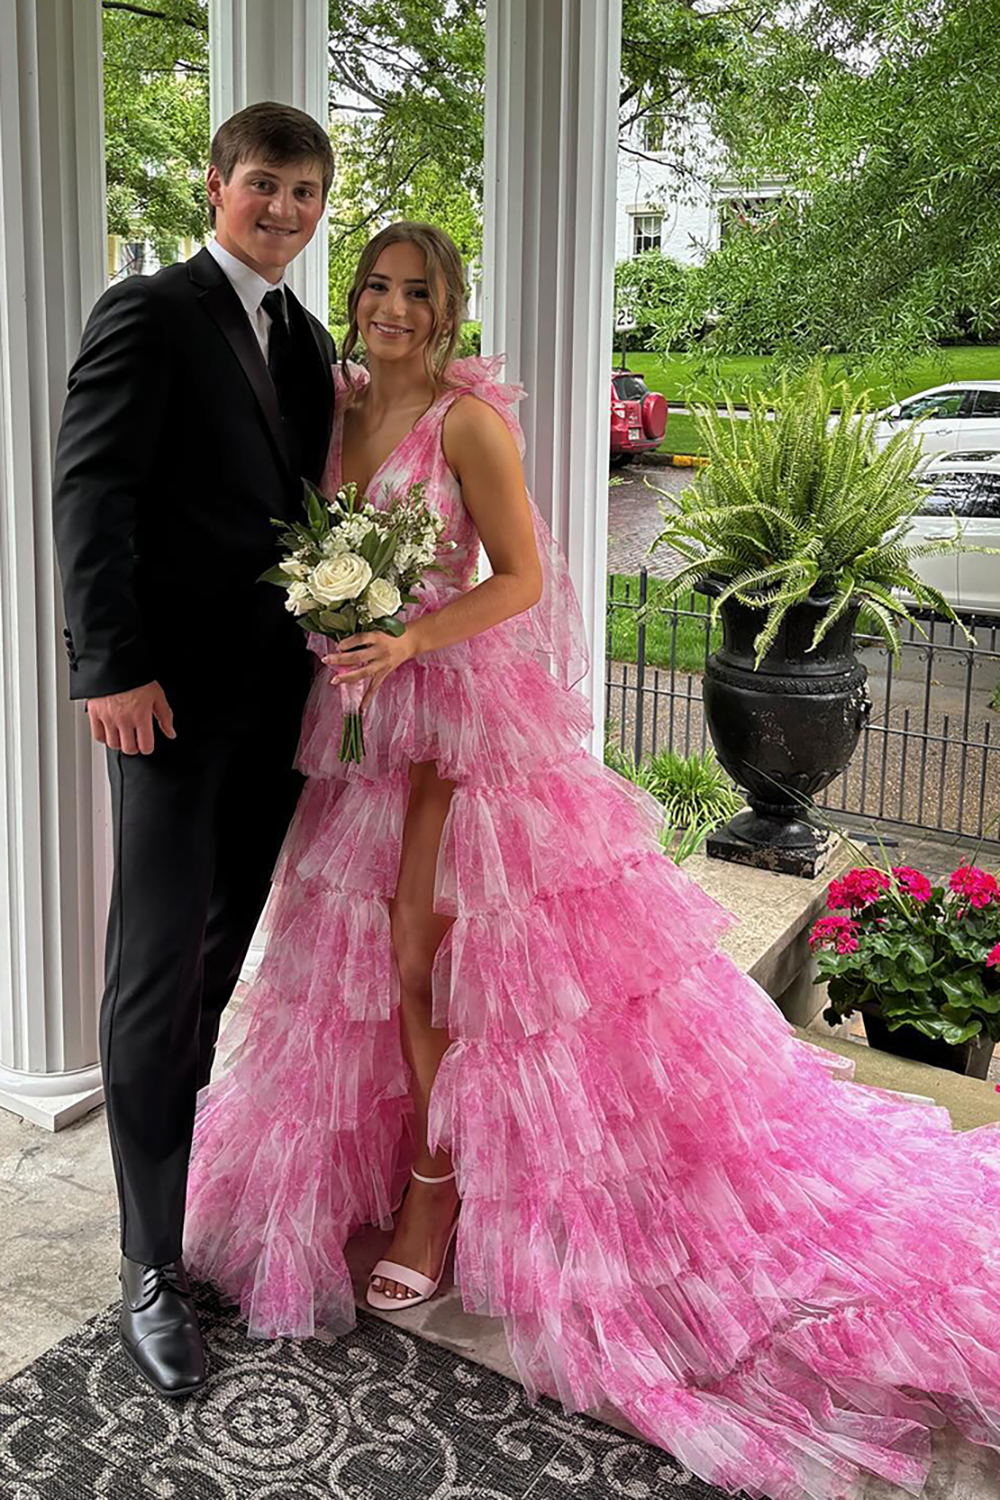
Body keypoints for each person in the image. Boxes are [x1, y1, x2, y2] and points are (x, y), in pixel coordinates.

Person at [184, 222, 1000, 1499]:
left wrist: (408, 639)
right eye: (380, 291)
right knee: (353, 961)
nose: (395, 310)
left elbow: (522, 580)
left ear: (448, 310)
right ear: (355, 302)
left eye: (419, 294)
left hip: (460, 717)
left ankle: (435, 1195)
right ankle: (411, 1167)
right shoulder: (329, 404)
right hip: (357, 726)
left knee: (427, 958)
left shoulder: (465, 424)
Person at [52, 101, 336, 1399]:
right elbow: (93, 491)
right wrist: (110, 668)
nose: (283, 210)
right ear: (216, 185)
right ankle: (148, 1271)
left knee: (217, 962)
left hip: (275, 708)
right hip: (163, 710)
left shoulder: (308, 338)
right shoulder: (150, 311)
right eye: (265, 186)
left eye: (305, 194)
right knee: (155, 974)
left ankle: (174, 1208)